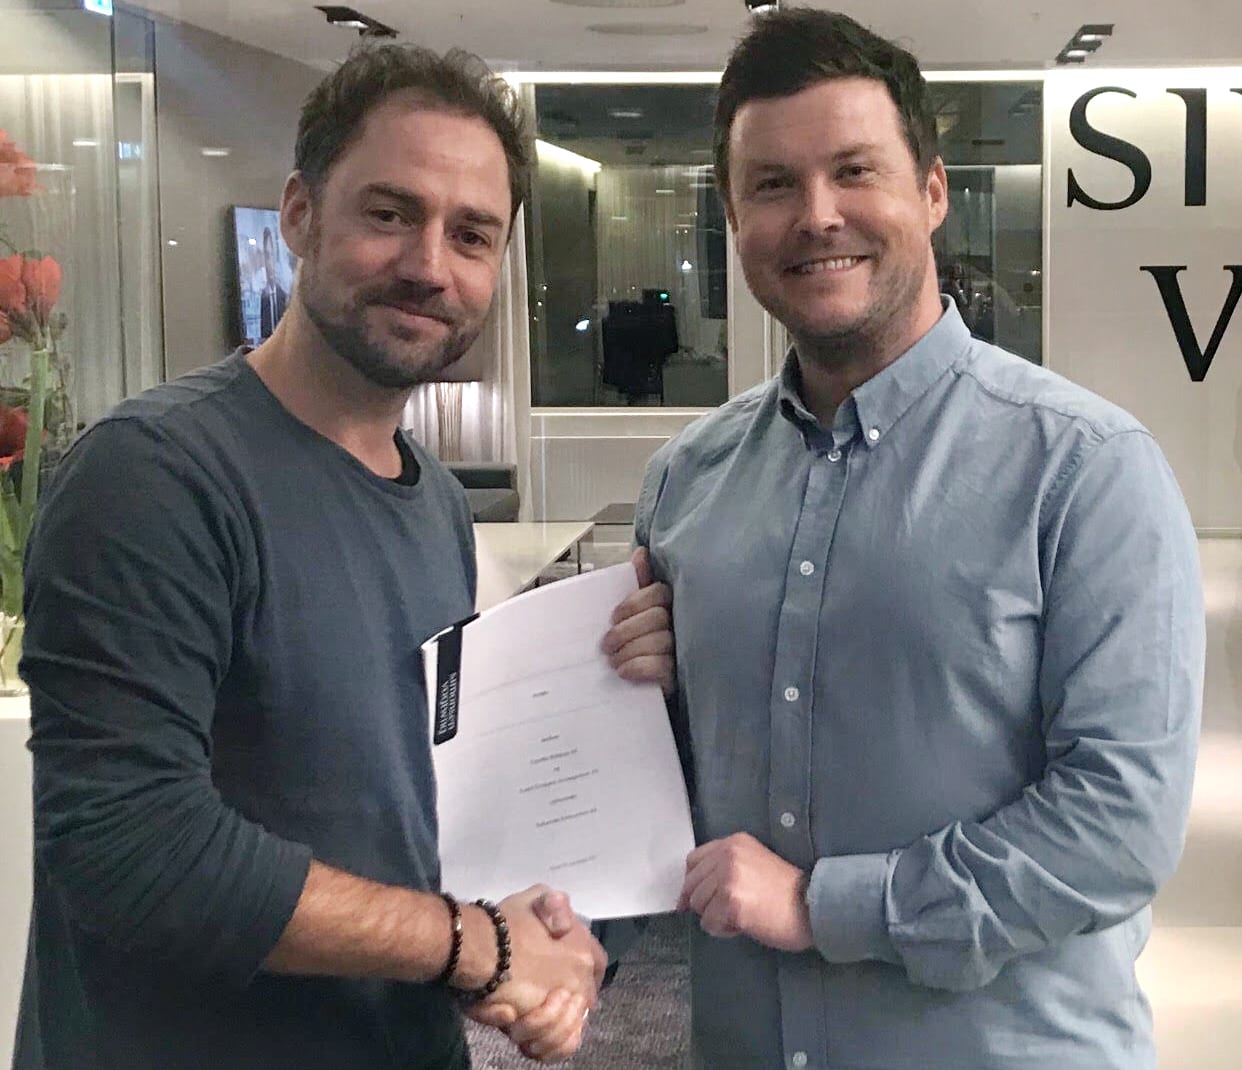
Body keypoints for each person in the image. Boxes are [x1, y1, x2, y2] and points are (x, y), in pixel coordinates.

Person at [15, 44, 674, 1070]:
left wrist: (601, 709)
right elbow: (131, 844)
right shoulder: (154, 473)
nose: (429, 264)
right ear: (299, 213)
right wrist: (475, 944)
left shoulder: (435, 501)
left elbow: (400, 803)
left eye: (472, 235)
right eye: (390, 212)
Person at [635, 9, 1204, 1069]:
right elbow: (660, 796)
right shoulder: (685, 483)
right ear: (733, 214)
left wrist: (826, 906)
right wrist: (631, 700)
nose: (817, 216)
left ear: (933, 192)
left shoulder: (1084, 469)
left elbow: (1118, 825)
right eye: (773, 184)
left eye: (855, 171)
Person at [258, 226, 289, 338]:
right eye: (266, 256)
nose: (269, 263)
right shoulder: (263, 297)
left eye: (271, 256)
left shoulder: (284, 296)